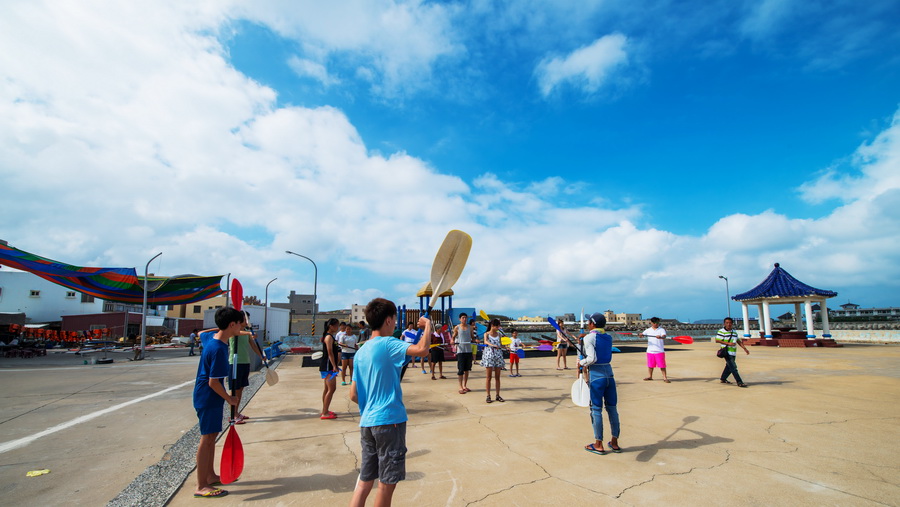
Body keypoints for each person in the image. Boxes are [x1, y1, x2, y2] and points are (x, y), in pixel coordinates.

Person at [349, 298, 430, 507]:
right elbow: (422, 350)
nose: (395, 323)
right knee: (386, 484)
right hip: (389, 422)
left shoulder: (361, 352)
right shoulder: (389, 343)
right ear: (387, 320)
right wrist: (428, 325)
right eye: (394, 319)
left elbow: (353, 395)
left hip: (367, 423)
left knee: (364, 482)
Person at [191, 307, 241, 498]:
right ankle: (201, 485)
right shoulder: (219, 349)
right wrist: (230, 399)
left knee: (211, 438)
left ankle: (210, 476)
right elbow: (214, 382)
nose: (242, 327)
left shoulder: (212, 340)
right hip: (208, 397)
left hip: (207, 397)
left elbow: (203, 333)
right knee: (207, 439)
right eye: (239, 323)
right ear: (231, 325)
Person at [579, 312, 621, 455]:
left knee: (596, 409)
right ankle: (614, 442)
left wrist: (581, 362)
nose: (586, 324)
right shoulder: (608, 337)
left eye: (588, 322)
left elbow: (592, 358)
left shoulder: (590, 337)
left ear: (592, 324)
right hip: (609, 373)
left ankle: (598, 444)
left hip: (597, 375)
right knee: (612, 408)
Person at [228, 311, 263, 422]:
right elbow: (237, 333)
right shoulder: (233, 330)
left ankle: (237, 412)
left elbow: (252, 345)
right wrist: (249, 334)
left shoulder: (247, 331)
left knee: (240, 389)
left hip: (245, 362)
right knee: (235, 390)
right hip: (235, 363)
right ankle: (232, 415)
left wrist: (261, 355)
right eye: (245, 318)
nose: (247, 321)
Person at [716, 317, 749, 387]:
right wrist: (728, 343)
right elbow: (717, 340)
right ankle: (739, 382)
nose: (729, 324)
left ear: (732, 324)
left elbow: (738, 341)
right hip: (726, 352)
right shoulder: (721, 331)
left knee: (729, 366)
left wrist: (744, 348)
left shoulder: (734, 332)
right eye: (727, 323)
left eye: (730, 323)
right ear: (724, 324)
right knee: (733, 367)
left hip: (733, 352)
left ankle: (723, 378)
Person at [320, 318, 341, 419]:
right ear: (331, 326)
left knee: (327, 389)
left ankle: (325, 409)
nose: (338, 327)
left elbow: (334, 348)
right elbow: (330, 352)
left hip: (328, 366)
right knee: (331, 389)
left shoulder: (330, 337)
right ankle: (325, 413)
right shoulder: (329, 337)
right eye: (336, 325)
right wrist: (334, 366)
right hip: (328, 366)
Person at [481, 319, 505, 403]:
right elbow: (486, 342)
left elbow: (501, 344)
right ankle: (488, 395)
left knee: (497, 377)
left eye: (498, 326)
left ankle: (498, 395)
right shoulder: (486, 334)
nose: (498, 327)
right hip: (489, 356)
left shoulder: (499, 334)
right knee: (488, 377)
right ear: (492, 325)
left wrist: (506, 347)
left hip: (498, 356)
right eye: (497, 326)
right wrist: (493, 345)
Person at [451, 313, 474, 394]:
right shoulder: (457, 327)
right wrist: (452, 341)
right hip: (460, 351)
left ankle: (465, 385)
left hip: (468, 351)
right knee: (461, 370)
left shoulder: (470, 328)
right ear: (460, 319)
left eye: (465, 318)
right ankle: (460, 387)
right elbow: (453, 336)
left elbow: (473, 338)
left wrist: (476, 341)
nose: (464, 319)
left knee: (467, 369)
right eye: (463, 318)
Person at [642, 317, 670, 383]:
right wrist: (641, 335)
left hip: (659, 351)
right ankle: (650, 376)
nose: (656, 324)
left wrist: (660, 337)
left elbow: (664, 336)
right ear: (651, 323)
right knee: (650, 365)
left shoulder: (661, 330)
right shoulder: (648, 330)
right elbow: (642, 334)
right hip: (650, 351)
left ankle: (665, 378)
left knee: (662, 365)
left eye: (657, 323)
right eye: (654, 323)